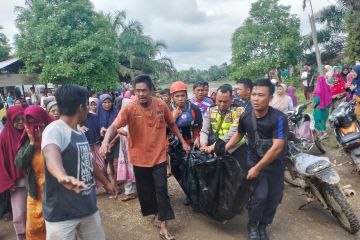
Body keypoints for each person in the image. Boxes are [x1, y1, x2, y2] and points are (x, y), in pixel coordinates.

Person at [100, 75, 190, 240]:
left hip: (159, 157)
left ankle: (163, 225)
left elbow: (171, 123)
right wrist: (106, 142)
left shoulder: (161, 105)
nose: (140, 94)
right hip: (139, 158)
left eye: (144, 90)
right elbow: (114, 126)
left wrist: (183, 141)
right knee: (146, 191)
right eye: (137, 90)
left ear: (151, 90)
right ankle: (155, 212)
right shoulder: (129, 108)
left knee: (162, 190)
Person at [41, 84, 116, 240]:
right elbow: (50, 153)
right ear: (82, 107)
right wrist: (62, 176)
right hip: (62, 214)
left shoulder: (79, 131)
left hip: (87, 207)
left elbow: (88, 160)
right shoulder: (54, 129)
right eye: (87, 104)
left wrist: (106, 182)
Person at [225, 79, 288, 240]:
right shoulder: (246, 117)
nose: (255, 98)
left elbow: (277, 148)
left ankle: (263, 226)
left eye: (261, 95)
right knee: (259, 197)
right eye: (253, 94)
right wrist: (224, 148)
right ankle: (252, 224)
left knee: (274, 197)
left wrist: (257, 168)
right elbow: (239, 134)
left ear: (271, 98)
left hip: (275, 165)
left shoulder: (279, 118)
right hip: (253, 162)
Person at [15, 106, 53, 240]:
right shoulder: (26, 141)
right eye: (29, 122)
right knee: (35, 228)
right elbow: (20, 163)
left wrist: (46, 138)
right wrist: (31, 143)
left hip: (55, 193)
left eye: (36, 121)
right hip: (35, 193)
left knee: (56, 228)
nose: (34, 127)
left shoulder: (55, 136)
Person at [169, 81, 203, 203]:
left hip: (192, 145)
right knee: (176, 170)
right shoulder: (167, 110)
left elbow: (200, 127)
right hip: (175, 147)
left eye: (183, 95)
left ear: (187, 96)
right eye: (177, 96)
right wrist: (173, 118)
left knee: (192, 170)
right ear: (172, 97)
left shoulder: (194, 109)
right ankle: (186, 190)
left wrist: (198, 139)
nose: (180, 99)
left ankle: (193, 195)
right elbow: (163, 129)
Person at [0, 106, 27, 240]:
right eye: (17, 119)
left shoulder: (30, 131)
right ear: (10, 120)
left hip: (34, 178)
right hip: (16, 182)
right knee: (19, 214)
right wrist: (7, 182)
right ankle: (22, 236)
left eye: (23, 118)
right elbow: (1, 160)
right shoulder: (4, 136)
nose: (21, 122)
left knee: (37, 210)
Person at [200, 84, 245, 156]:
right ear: (215, 98)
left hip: (235, 148)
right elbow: (204, 130)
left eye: (225, 101)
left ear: (231, 99)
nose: (222, 104)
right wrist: (203, 145)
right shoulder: (210, 109)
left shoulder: (239, 110)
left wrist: (213, 146)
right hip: (216, 146)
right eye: (219, 101)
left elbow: (232, 133)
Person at [97, 94, 120, 196]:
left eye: (109, 102)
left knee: (116, 164)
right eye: (105, 102)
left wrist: (112, 141)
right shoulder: (96, 115)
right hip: (102, 143)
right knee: (108, 165)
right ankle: (112, 184)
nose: (107, 104)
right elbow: (95, 128)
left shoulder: (117, 113)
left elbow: (121, 128)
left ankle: (116, 183)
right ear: (101, 103)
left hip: (117, 141)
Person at [116, 95, 137, 201]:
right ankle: (129, 192)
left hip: (135, 150)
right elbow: (117, 129)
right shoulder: (121, 119)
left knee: (136, 170)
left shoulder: (136, 119)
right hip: (124, 150)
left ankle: (137, 191)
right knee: (127, 170)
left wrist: (124, 132)